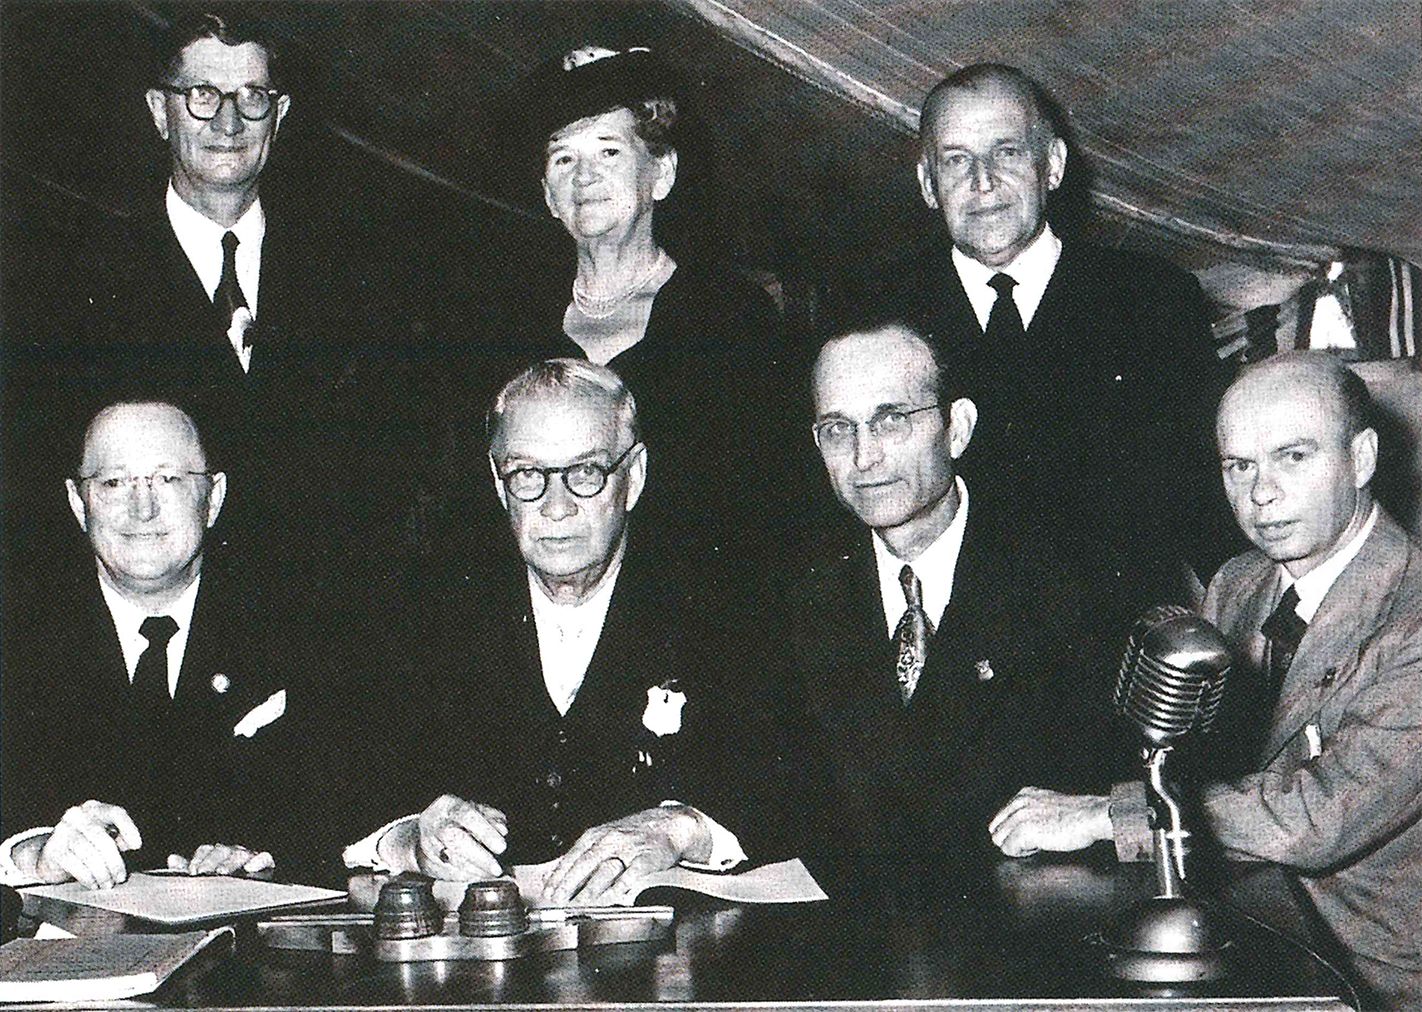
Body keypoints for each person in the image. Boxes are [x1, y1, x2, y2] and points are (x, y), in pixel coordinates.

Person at [988, 352, 1422, 1009]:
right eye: (1238, 465)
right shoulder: (1239, 584)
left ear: (1362, 459)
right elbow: (1189, 761)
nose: (1261, 493)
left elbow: (1320, 815)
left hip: (1367, 979)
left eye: (1293, 457)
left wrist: (1110, 815)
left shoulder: (1411, 613)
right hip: (1238, 940)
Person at [343, 359, 783, 904]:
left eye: (586, 473)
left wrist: (681, 830)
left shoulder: (724, 610)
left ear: (635, 476)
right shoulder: (426, 613)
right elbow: (341, 783)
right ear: (498, 485)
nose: (557, 507)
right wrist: (407, 839)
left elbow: (790, 796)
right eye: (528, 475)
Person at [885, 62, 1235, 626]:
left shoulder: (1150, 300)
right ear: (927, 183)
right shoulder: (877, 312)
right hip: (943, 660)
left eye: (1006, 152)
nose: (982, 182)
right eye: (956, 160)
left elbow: (1209, 504)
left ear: (1052, 165)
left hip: (1111, 661)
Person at [787, 315, 1091, 890]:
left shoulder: (1069, 586)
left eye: (891, 421)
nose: (863, 456)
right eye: (836, 430)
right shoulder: (799, 600)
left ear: (957, 428)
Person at [487, 45, 801, 590]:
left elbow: (768, 508)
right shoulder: (507, 327)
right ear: (548, 196)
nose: (583, 177)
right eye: (563, 159)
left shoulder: (729, 317)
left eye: (608, 152)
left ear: (661, 173)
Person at [0, 400, 297, 888]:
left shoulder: (293, 621)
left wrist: (264, 848)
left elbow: (352, 796)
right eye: (115, 483)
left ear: (214, 498)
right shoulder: (20, 632)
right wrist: (33, 854)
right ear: (79, 503)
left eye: (168, 479)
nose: (143, 508)